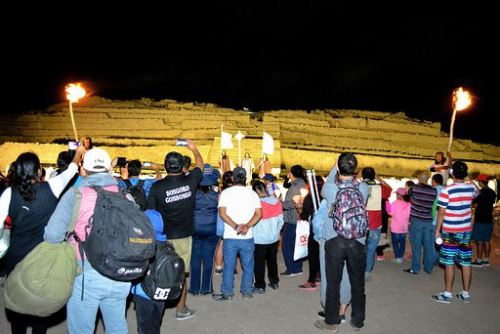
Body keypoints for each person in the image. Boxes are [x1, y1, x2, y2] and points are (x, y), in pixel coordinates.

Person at [1, 148, 83, 334]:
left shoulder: (9, 194)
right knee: (42, 305)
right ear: (38, 171)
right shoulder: (52, 187)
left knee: (17, 305)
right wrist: (79, 152)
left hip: (17, 257)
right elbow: (72, 168)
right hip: (44, 256)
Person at [147, 140, 204, 320]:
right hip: (184, 236)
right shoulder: (191, 180)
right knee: (181, 273)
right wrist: (193, 148)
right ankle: (181, 309)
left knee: (160, 272)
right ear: (182, 166)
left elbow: (151, 213)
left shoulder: (157, 187)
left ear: (165, 167)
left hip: (162, 237)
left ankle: (156, 310)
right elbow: (200, 165)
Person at [315, 152, 369, 332]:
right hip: (358, 240)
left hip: (334, 239)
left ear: (339, 167)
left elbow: (328, 182)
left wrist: (335, 167)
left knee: (332, 281)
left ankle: (331, 321)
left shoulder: (330, 189)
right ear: (355, 169)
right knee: (356, 281)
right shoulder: (363, 188)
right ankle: (357, 320)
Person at [213, 167, 262, 301]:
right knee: (248, 265)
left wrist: (235, 226)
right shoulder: (253, 194)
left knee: (229, 265)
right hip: (247, 236)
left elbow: (222, 213)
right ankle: (246, 291)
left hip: (230, 235)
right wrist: (246, 226)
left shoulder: (226, 193)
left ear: (233, 178)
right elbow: (259, 214)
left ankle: (227, 293)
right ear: (246, 178)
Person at [432, 161, 477, 303]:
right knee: (466, 262)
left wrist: (437, 231)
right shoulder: (471, 188)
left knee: (449, 262)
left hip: (450, 231)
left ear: (452, 173)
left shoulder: (447, 190)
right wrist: (469, 179)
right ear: (466, 173)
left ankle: (447, 294)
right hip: (465, 231)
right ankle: (465, 294)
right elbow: (478, 192)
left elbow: (441, 212)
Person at [131, 209, 167, 334]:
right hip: (161, 293)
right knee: (155, 323)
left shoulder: (141, 246)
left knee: (144, 327)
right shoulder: (167, 245)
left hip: (143, 294)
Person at [189, 164, 220, 295]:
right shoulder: (217, 196)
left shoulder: (192, 194)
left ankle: (195, 288)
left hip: (195, 227)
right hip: (212, 228)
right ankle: (206, 288)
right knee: (209, 258)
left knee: (195, 258)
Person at [252, 181, 283, 293]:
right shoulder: (277, 202)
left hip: (259, 239)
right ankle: (274, 281)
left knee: (259, 262)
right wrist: (277, 232)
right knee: (272, 261)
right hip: (273, 238)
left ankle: (260, 285)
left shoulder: (256, 204)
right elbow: (281, 220)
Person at [362, 167, 392, 280]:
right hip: (375, 223)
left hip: (361, 223)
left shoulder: (358, 186)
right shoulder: (380, 187)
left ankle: (357, 270)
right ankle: (367, 272)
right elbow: (390, 189)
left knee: (359, 248)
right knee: (371, 249)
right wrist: (379, 179)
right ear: (374, 176)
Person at [404, 171, 437, 275]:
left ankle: (415, 268)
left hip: (416, 220)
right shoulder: (434, 191)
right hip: (428, 220)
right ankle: (428, 268)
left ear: (419, 178)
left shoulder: (414, 188)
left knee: (416, 245)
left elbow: (407, 196)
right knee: (428, 245)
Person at [298, 175, 324, 291]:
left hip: (314, 229)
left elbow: (304, 215)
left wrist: (301, 210)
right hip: (327, 229)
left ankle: (312, 280)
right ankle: (321, 275)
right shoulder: (327, 197)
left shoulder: (310, 198)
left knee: (313, 255)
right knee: (324, 254)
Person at [281, 165, 307, 277]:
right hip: (297, 219)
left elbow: (294, 203)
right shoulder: (299, 184)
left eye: (289, 173)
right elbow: (285, 185)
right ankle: (298, 267)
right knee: (297, 245)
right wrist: (288, 178)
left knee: (287, 245)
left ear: (292, 173)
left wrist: (279, 203)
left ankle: (292, 269)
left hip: (293, 219)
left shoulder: (296, 187)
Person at [471, 174, 496, 267]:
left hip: (480, 220)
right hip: (489, 220)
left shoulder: (480, 193)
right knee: (487, 241)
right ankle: (486, 259)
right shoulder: (493, 193)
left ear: (481, 182)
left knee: (479, 241)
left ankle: (479, 260)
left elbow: (475, 206)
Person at [214, 171, 233, 275]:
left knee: (220, 244)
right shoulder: (236, 192)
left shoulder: (221, 193)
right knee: (232, 245)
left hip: (221, 220)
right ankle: (232, 267)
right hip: (233, 220)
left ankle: (218, 267)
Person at [388, 188, 411, 263]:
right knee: (402, 242)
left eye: (397, 194)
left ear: (400, 195)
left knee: (395, 243)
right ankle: (401, 255)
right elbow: (408, 216)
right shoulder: (408, 204)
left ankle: (398, 257)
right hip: (404, 228)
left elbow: (391, 213)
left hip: (395, 227)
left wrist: (387, 206)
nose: (396, 195)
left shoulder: (395, 203)